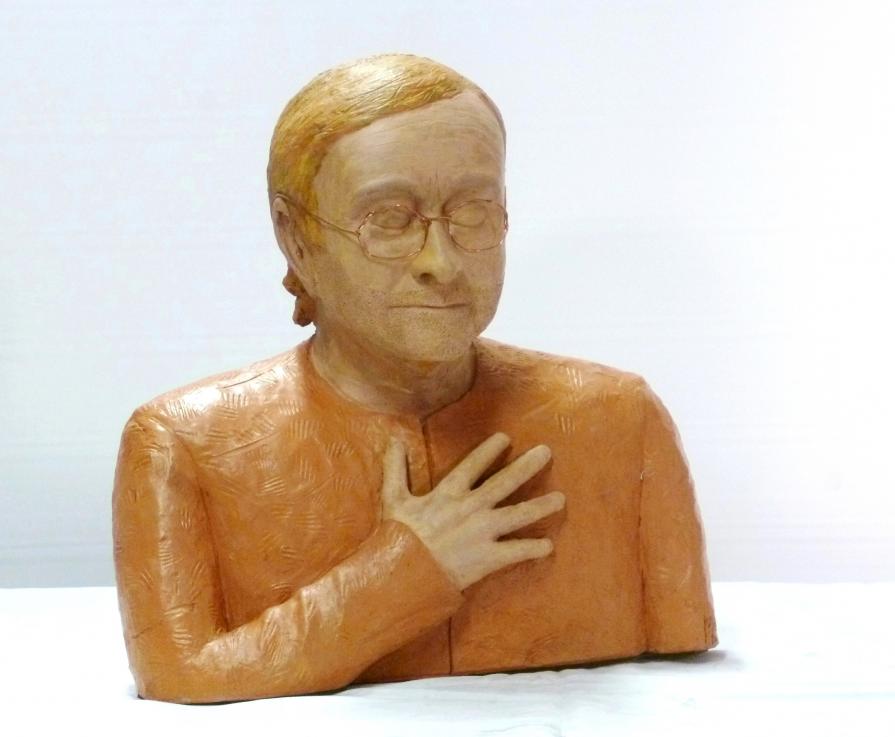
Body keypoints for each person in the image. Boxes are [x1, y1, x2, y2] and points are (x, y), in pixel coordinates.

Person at [112, 53, 717, 704]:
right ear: (296, 237)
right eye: (390, 220)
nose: (441, 262)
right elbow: (180, 672)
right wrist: (405, 570)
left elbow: (681, 644)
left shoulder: (620, 420)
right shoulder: (183, 446)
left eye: (473, 211)